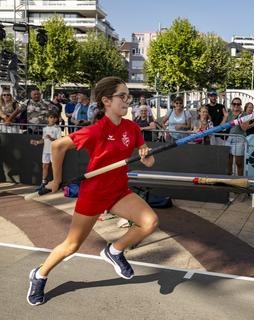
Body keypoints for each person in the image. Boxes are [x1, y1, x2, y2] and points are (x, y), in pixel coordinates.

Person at [27, 76, 158, 306]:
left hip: (118, 191)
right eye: (123, 96)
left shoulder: (131, 127)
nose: (127, 100)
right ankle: (39, 274)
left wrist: (147, 156)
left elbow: (149, 160)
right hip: (94, 193)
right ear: (107, 101)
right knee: (72, 245)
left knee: (150, 222)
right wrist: (56, 180)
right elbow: (58, 146)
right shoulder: (97, 130)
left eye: (129, 96)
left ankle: (115, 251)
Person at [30, 111, 62, 191]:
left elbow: (59, 140)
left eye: (54, 118)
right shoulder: (45, 128)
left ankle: (56, 183)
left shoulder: (58, 128)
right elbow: (43, 140)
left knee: (54, 167)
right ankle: (43, 183)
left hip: (53, 151)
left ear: (56, 119)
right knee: (45, 166)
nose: (52, 119)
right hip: (46, 151)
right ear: (48, 118)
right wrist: (36, 142)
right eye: (51, 117)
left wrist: (51, 138)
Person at [226, 97, 248, 176]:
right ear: (232, 105)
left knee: (238, 162)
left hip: (240, 138)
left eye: (238, 104)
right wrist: (225, 117)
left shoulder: (244, 114)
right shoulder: (229, 113)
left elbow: (244, 128)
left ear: (240, 105)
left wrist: (239, 119)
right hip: (229, 138)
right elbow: (223, 126)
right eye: (234, 104)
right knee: (228, 162)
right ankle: (228, 180)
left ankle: (240, 180)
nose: (236, 105)